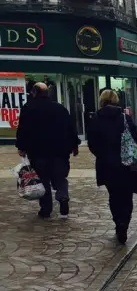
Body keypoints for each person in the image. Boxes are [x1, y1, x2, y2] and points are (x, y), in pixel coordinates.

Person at [15, 82, 79, 219]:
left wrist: (21, 147)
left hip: (38, 151)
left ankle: (46, 209)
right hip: (60, 151)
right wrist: (74, 145)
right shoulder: (59, 108)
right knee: (60, 177)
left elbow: (23, 129)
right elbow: (70, 128)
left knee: (43, 179)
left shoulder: (28, 108)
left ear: (34, 93)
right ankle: (63, 196)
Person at [86, 89, 137, 244]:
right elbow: (135, 140)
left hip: (106, 164)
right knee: (126, 196)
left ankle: (118, 222)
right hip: (126, 163)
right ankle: (124, 223)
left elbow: (92, 143)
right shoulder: (125, 118)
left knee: (114, 195)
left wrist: (102, 154)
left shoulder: (95, 119)